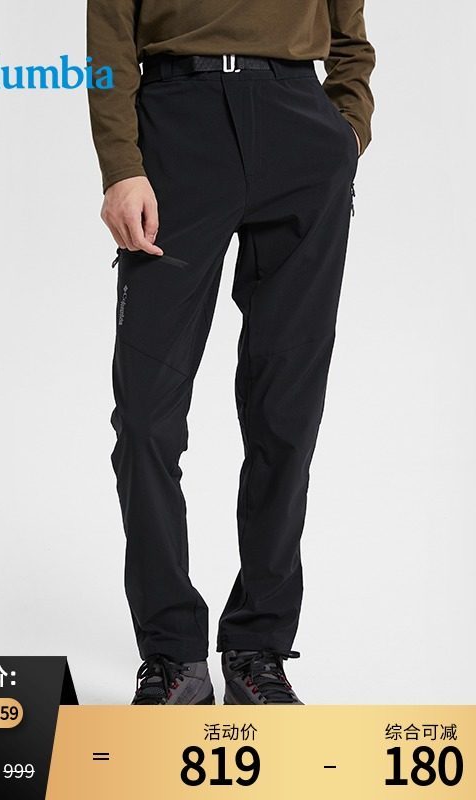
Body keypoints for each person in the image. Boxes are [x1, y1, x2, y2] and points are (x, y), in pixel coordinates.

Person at [87, 0, 375, 705]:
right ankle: (172, 655)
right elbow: (109, 35)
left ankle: (258, 649)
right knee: (145, 419)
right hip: (176, 125)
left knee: (286, 414)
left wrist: (347, 131)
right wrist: (121, 164)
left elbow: (351, 40)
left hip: (299, 127)